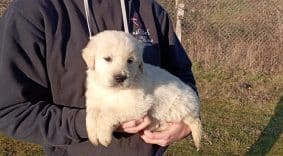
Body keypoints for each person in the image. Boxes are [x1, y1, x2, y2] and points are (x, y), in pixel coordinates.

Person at [0, 0, 198, 155]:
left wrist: (186, 122)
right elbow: (11, 110)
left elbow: (181, 73)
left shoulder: (149, 9)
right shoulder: (32, 12)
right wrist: (88, 122)